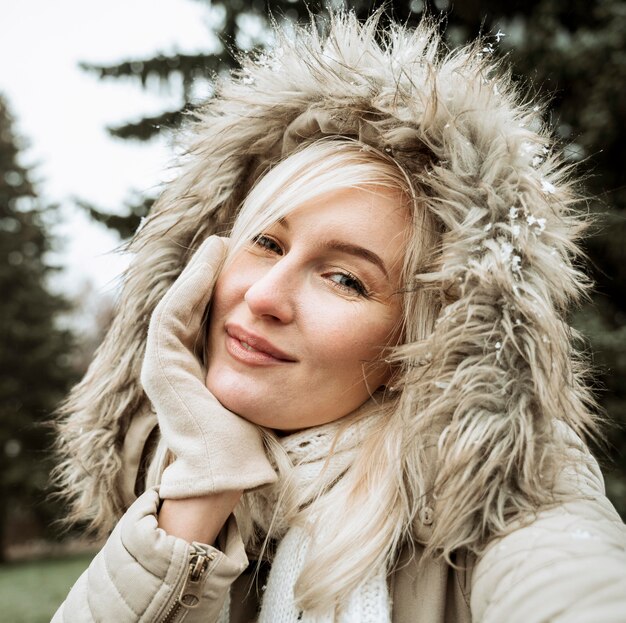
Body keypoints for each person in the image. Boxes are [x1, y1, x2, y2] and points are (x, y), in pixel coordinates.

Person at [52, 10, 626, 623]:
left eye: (345, 279)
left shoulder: (500, 486)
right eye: (266, 244)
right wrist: (205, 478)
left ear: (419, 345)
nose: (266, 296)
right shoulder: (164, 481)